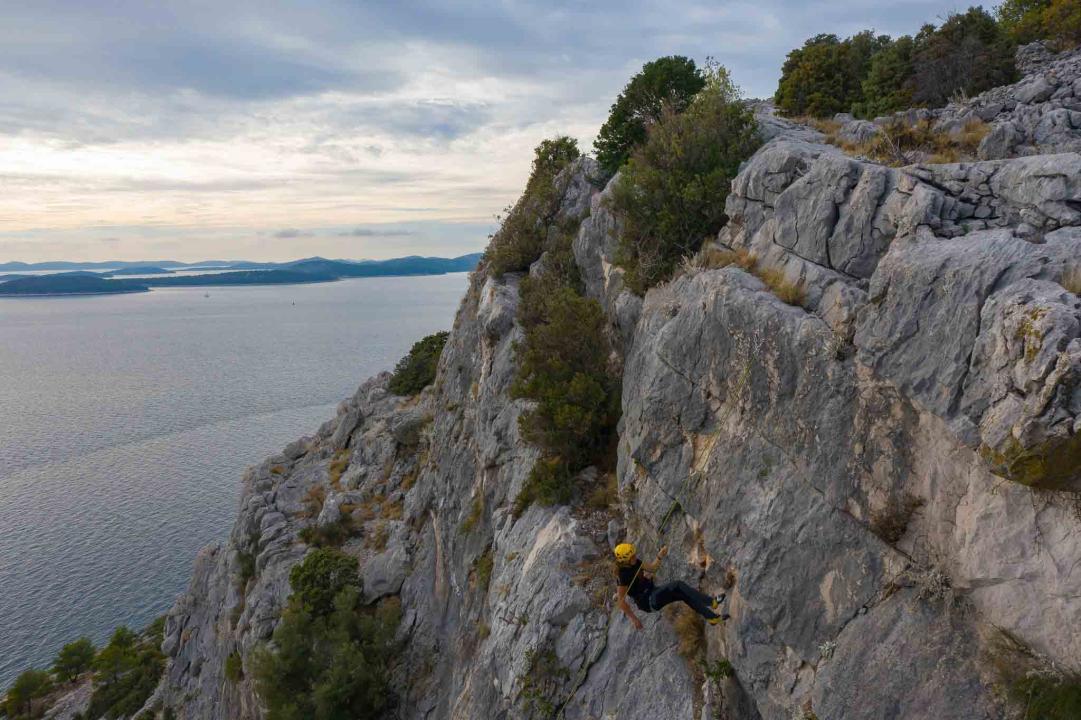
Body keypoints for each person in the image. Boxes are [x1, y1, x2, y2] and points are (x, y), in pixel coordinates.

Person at [614, 542, 729, 630]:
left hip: (653, 591)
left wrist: (660, 556)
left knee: (683, 595)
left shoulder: (636, 562)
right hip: (648, 601)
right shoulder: (622, 576)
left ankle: (712, 617)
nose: (635, 557)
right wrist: (634, 619)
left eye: (634, 555)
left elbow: (652, 568)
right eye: (632, 557)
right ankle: (712, 602)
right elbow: (621, 601)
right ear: (625, 561)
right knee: (677, 585)